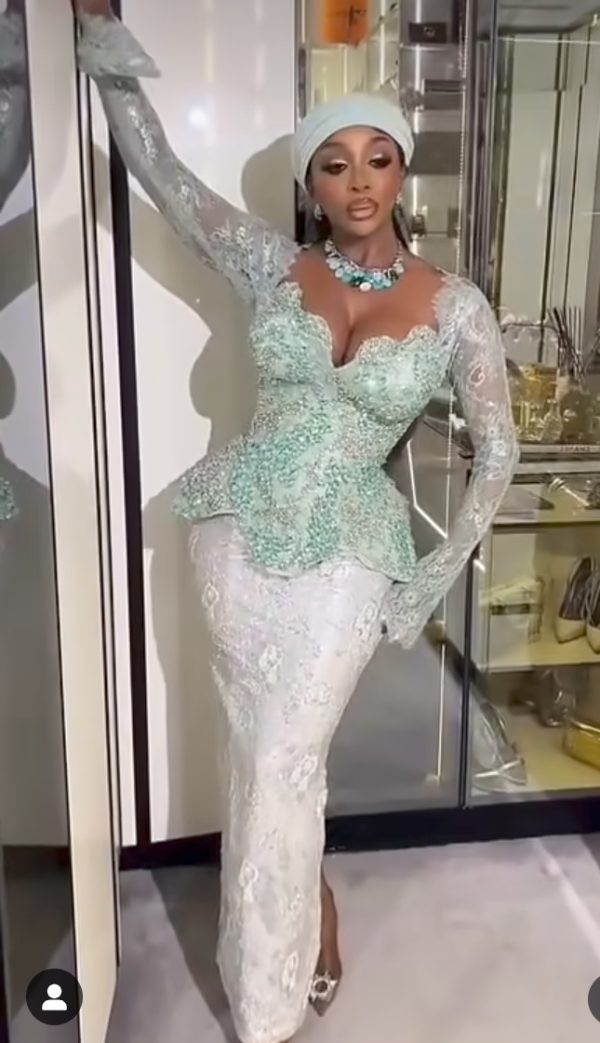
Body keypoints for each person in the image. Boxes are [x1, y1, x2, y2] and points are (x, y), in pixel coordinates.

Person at [74, 4, 519, 1042]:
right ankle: (305, 901)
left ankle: (264, 1008)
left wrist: (433, 573)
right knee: (260, 750)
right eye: (333, 164)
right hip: (235, 531)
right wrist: (100, 39)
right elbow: (160, 169)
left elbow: (498, 448)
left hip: (352, 548)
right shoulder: (269, 262)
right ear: (312, 183)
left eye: (378, 159)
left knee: (284, 755)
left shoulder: (455, 303)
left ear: (400, 172)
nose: (358, 182)